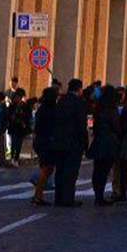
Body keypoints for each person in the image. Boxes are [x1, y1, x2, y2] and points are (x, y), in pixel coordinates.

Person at [51, 79, 88, 207]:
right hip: (73, 143)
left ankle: (58, 198)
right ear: (79, 89)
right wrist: (85, 143)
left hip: (59, 142)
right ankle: (68, 198)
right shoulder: (79, 103)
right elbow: (81, 125)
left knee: (60, 171)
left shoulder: (61, 101)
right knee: (71, 172)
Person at [88, 86, 121, 206]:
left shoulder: (98, 108)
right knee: (105, 170)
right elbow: (116, 126)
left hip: (99, 141)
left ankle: (98, 195)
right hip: (109, 143)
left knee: (98, 170)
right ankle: (100, 196)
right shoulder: (112, 109)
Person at [31, 87, 59, 206]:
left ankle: (38, 195)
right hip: (47, 141)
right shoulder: (50, 110)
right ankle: (37, 195)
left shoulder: (42, 109)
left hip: (40, 141)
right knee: (47, 168)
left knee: (47, 167)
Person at [7, 89, 32, 165]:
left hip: (21, 128)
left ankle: (16, 158)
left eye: (18, 97)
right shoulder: (12, 106)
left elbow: (28, 116)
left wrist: (23, 121)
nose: (17, 98)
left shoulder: (25, 106)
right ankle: (12, 158)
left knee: (18, 144)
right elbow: (8, 115)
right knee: (13, 143)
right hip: (13, 126)